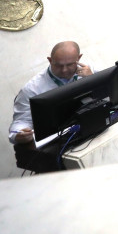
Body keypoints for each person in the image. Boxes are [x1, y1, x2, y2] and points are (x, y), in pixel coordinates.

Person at [9, 41, 94, 173]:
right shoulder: (32, 88)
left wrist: (92, 79)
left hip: (87, 133)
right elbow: (19, 123)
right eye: (58, 65)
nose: (64, 70)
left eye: (70, 64)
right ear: (50, 60)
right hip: (56, 146)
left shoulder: (88, 72)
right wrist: (18, 134)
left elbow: (107, 96)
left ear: (79, 58)